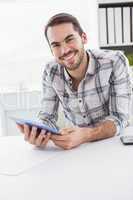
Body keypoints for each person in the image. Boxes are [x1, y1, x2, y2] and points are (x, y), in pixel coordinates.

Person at [17, 13, 132, 150]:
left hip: (113, 145)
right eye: (56, 45)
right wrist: (39, 132)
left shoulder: (115, 61)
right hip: (77, 149)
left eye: (69, 39)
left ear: (84, 38)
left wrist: (85, 135)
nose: (64, 50)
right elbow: (47, 117)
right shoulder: (51, 71)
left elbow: (120, 118)